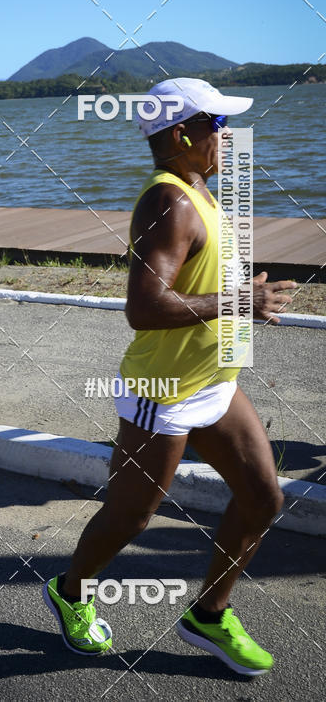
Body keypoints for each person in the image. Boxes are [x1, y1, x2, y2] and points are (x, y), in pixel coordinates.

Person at [43, 78, 296, 676]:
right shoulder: (169, 202)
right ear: (182, 133)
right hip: (165, 394)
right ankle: (70, 590)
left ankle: (209, 615)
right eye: (216, 124)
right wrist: (240, 301)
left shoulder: (198, 189)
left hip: (214, 385)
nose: (226, 135)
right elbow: (145, 308)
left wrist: (241, 298)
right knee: (131, 516)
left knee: (263, 496)